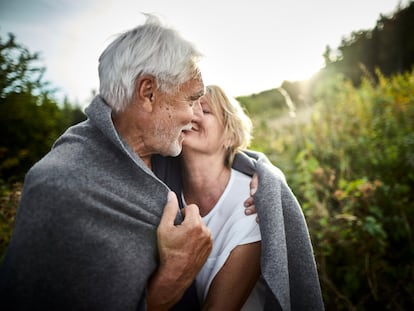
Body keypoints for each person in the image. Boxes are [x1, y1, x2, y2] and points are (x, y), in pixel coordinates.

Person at [0, 14, 241, 310]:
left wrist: (263, 177)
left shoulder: (160, 151)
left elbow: (228, 150)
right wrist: (174, 276)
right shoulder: (59, 186)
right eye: (191, 100)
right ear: (148, 93)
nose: (193, 116)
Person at [155, 85, 325, 310]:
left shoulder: (253, 202)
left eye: (205, 110)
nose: (192, 115)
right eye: (189, 106)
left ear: (230, 135)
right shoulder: (163, 192)